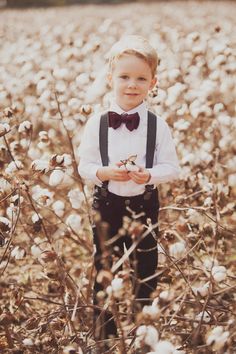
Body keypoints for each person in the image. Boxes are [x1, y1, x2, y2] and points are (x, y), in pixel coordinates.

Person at [78, 35, 180, 344]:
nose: (132, 84)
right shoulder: (96, 123)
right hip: (106, 204)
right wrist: (103, 172)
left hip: (144, 205)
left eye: (140, 78)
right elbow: (84, 166)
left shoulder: (157, 125)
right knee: (104, 268)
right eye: (124, 76)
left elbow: (171, 168)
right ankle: (105, 337)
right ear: (110, 78)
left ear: (153, 82)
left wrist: (148, 175)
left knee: (145, 269)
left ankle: (142, 333)